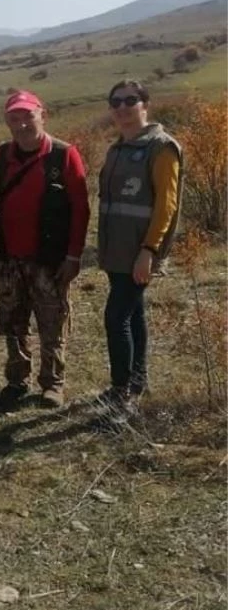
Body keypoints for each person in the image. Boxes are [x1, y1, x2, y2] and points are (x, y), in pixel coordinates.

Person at [0, 90, 90, 408]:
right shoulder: (3, 155)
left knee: (52, 321)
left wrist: (73, 256)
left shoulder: (64, 154)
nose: (22, 124)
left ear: (43, 115)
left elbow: (80, 209)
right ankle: (17, 380)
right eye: (14, 118)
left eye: (28, 116)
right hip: (8, 257)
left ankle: (53, 383)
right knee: (13, 322)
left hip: (49, 259)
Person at [96, 79, 183, 423]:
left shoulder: (161, 148)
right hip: (116, 249)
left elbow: (167, 205)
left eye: (130, 100)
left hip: (139, 250)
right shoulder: (118, 149)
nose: (122, 107)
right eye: (115, 101)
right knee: (133, 314)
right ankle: (136, 381)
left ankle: (122, 397)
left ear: (145, 104)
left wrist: (149, 250)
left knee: (116, 318)